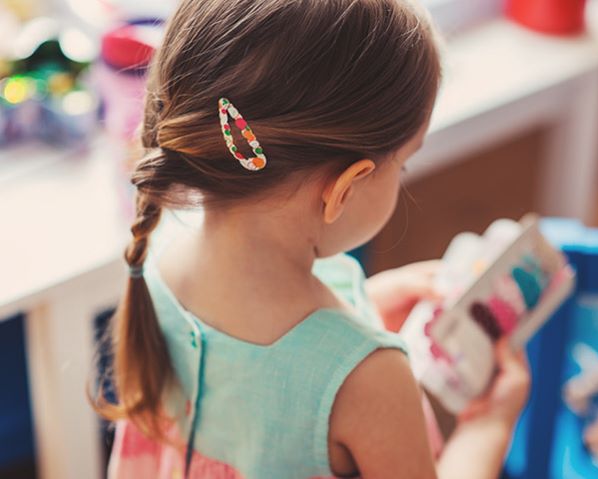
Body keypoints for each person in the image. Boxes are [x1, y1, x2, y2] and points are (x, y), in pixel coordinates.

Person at [93, 1, 530, 477]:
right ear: (344, 187)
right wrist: (488, 427)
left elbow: (254, 370)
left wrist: (366, 306)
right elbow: (305, 375)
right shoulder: (373, 381)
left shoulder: (155, 253)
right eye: (401, 164)